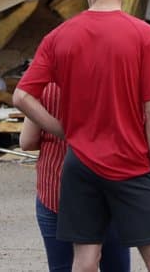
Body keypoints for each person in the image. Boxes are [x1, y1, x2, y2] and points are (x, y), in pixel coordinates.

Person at [13, 0, 150, 272]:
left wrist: (62, 129)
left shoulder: (59, 36)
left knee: (84, 260)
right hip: (131, 163)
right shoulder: (144, 35)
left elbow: (22, 97)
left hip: (80, 163)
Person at [19, 82, 131, 271]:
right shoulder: (114, 82)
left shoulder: (46, 87)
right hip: (108, 188)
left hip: (56, 189)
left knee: (62, 267)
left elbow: (27, 141)